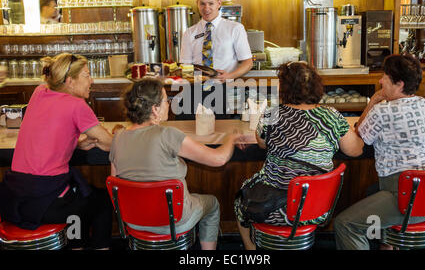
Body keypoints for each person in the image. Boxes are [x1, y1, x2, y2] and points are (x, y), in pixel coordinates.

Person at [234, 61, 364, 250]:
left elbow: (261, 143)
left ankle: (252, 252)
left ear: (283, 88)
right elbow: (355, 150)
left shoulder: (272, 115)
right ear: (317, 87)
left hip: (272, 210)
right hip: (315, 209)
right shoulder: (332, 116)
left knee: (240, 200)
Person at [109, 78, 243, 250]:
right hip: (172, 221)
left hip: (133, 221)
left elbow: (116, 183)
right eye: (166, 100)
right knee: (213, 204)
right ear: (155, 109)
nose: (169, 104)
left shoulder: (118, 137)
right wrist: (230, 138)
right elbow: (219, 159)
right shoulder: (168, 134)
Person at [334, 54, 425, 250]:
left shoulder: (382, 112)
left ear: (399, 84)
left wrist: (373, 101)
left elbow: (358, 135)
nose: (380, 81)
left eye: (385, 77)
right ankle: (386, 245)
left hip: (407, 199)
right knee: (371, 193)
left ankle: (384, 241)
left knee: (345, 224)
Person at [0, 53, 114, 250]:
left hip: (13, 199)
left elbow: (51, 131)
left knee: (81, 200)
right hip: (45, 204)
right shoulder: (76, 106)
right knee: (101, 201)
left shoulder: (39, 92)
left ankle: (77, 245)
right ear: (69, 81)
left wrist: (76, 143)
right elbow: (110, 144)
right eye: (87, 75)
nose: (92, 80)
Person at [180, 0, 253, 80]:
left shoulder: (235, 28)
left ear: (219, 3)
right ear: (197, 3)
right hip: (196, 88)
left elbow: (248, 62)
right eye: (202, 4)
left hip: (226, 88)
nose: (206, 8)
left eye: (211, 3)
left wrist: (229, 76)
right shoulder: (189, 33)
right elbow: (185, 65)